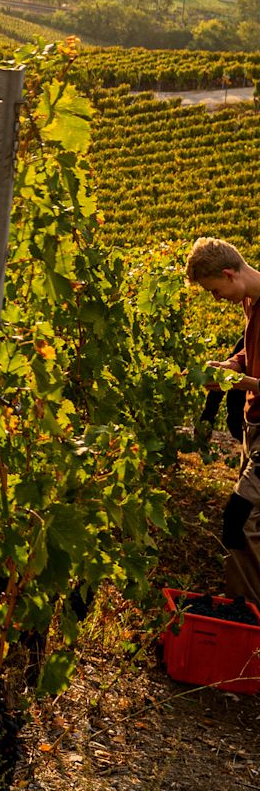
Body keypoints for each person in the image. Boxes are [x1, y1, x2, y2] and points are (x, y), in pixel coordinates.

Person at [185, 238, 260, 604]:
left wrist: (238, 382)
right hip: (254, 426)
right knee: (250, 521)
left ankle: (248, 612)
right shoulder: (250, 301)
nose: (215, 299)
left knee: (240, 519)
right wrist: (231, 365)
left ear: (229, 274)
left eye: (214, 290)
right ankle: (241, 604)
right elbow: (252, 349)